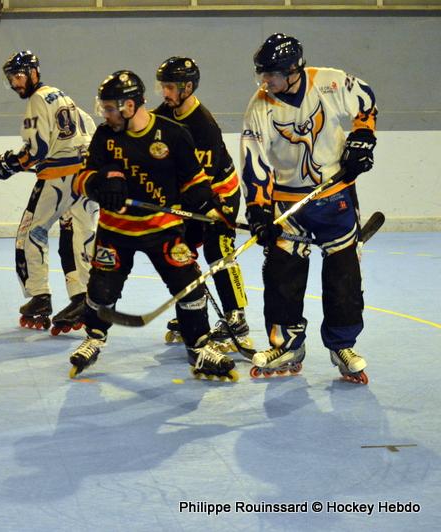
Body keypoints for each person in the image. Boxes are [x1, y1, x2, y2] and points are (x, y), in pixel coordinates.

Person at [67, 69, 238, 382]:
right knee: (102, 289)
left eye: (109, 108)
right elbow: (81, 179)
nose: (105, 114)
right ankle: (94, 337)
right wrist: (98, 184)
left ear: (130, 106)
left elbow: (195, 181)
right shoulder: (105, 136)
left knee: (189, 285)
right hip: (116, 230)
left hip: (162, 227)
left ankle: (199, 346)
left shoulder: (173, 134)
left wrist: (209, 208)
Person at [240, 33, 377, 384]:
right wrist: (258, 209)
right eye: (261, 73)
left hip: (336, 198)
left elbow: (365, 99)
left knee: (344, 275)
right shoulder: (259, 107)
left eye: (271, 74)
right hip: (288, 204)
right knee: (281, 275)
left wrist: (363, 137)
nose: (265, 81)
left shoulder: (328, 83)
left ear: (293, 70)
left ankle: (343, 345)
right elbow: (255, 161)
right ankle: (286, 345)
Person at [0, 50, 98, 333]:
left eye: (18, 76)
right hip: (86, 177)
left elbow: (37, 149)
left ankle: (39, 296)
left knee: (31, 232)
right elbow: (90, 129)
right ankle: (84, 297)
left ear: (34, 72)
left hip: (58, 179)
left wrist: (9, 164)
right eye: (11, 79)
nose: (15, 84)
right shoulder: (63, 96)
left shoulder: (37, 100)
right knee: (82, 235)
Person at [152, 56, 251, 354]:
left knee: (218, 249)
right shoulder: (163, 115)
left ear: (187, 87)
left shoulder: (203, 125)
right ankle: (193, 310)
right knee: (181, 251)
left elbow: (201, 182)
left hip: (218, 193)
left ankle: (236, 318)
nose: (165, 92)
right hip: (188, 194)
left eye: (170, 87)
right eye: (163, 86)